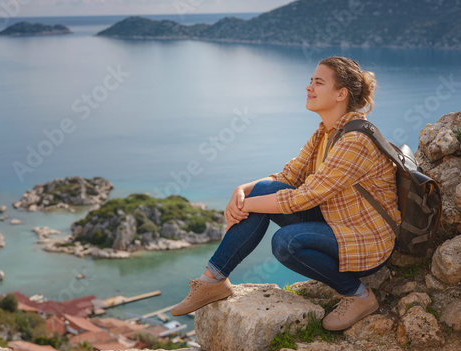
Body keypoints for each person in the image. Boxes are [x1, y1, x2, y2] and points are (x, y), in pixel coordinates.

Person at [171, 56, 401, 331]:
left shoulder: (355, 140)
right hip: (336, 221)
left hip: (366, 238)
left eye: (318, 82)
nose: (309, 87)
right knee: (263, 189)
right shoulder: (325, 133)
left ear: (341, 94)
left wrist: (247, 206)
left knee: (286, 243)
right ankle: (213, 280)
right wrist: (242, 190)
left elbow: (302, 198)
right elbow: (285, 178)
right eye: (310, 81)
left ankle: (359, 296)